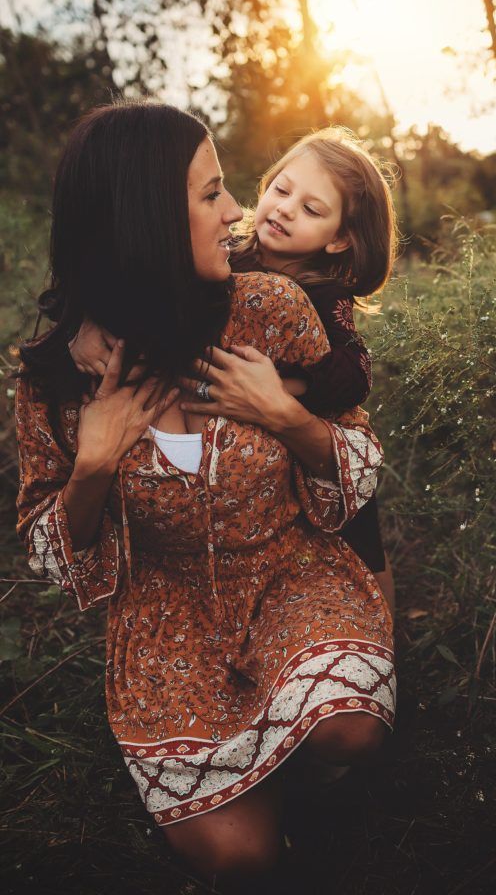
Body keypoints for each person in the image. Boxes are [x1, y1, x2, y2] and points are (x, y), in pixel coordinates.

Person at [15, 102, 395, 889]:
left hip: (288, 570)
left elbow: (358, 459)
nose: (239, 213)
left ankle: (309, 768)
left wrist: (286, 418)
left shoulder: (272, 306)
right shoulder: (58, 378)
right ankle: (261, 784)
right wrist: (92, 466)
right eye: (210, 194)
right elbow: (50, 550)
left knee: (351, 727)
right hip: (164, 619)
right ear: (145, 216)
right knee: (241, 859)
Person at [69, 126, 397, 616]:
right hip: (222, 429)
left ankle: (383, 634)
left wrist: (289, 385)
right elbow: (143, 277)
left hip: (301, 431)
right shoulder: (229, 252)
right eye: (282, 190)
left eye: (311, 209)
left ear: (339, 240)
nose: (285, 208)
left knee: (359, 536)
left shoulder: (325, 293)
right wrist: (88, 318)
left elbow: (356, 373)